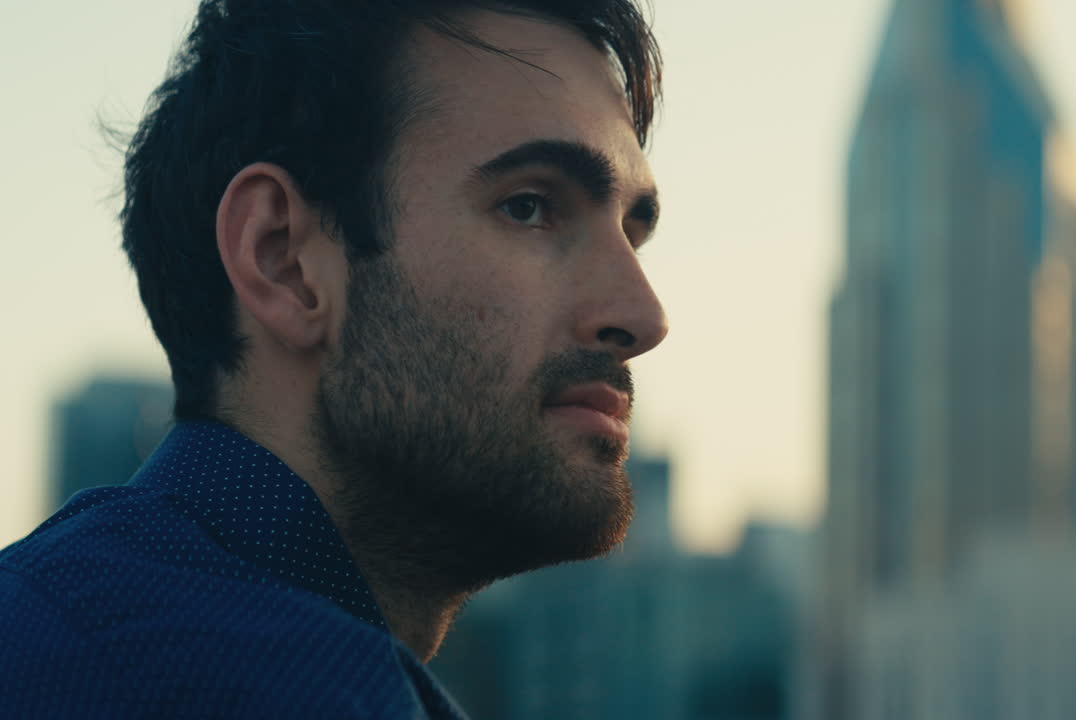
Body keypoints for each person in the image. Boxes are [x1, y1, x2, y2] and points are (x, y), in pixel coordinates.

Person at [0, 0, 667, 716]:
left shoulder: (62, 614)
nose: (642, 316)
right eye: (529, 207)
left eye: (632, 231)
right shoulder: (294, 689)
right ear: (282, 260)